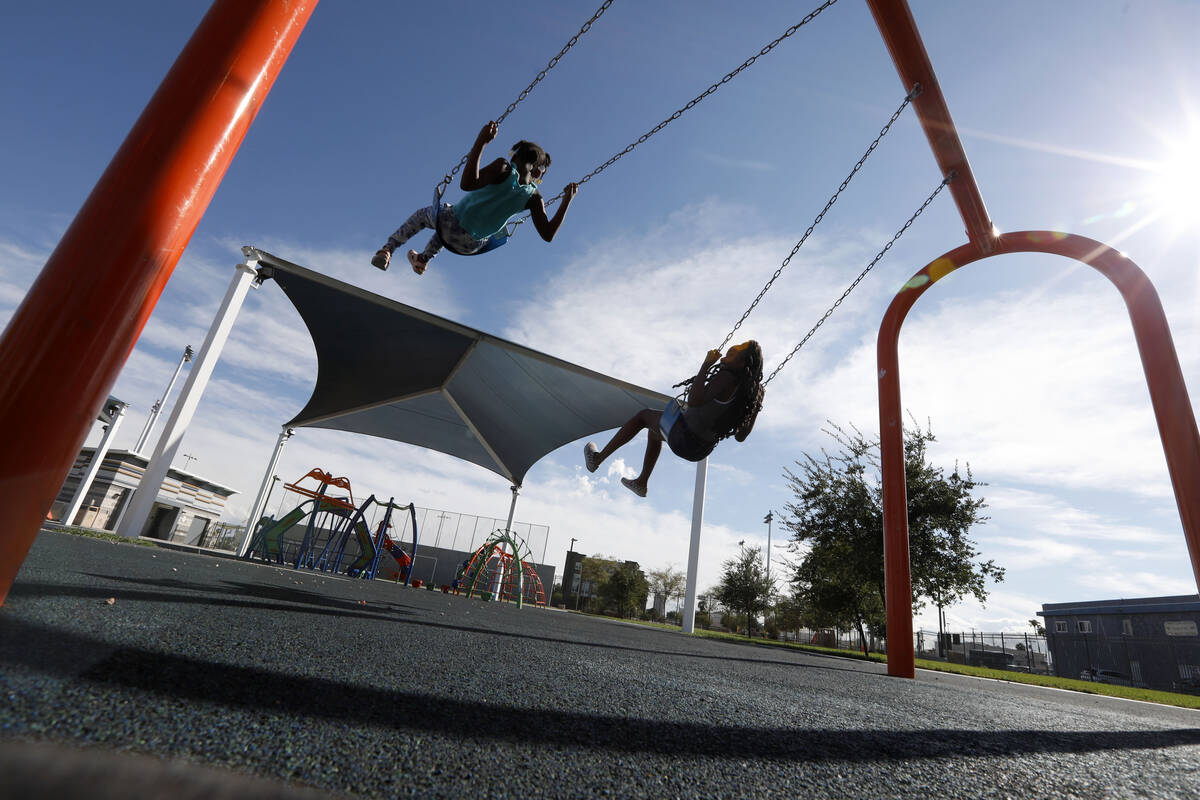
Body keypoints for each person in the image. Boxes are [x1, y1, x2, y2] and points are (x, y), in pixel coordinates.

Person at [371, 121, 578, 274]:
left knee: (427, 216)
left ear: (514, 156)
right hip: (472, 245)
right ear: (538, 173)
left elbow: (467, 184)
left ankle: (388, 249)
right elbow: (548, 235)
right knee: (446, 230)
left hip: (451, 222)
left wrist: (481, 142)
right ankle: (423, 259)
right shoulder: (534, 198)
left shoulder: (503, 168)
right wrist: (566, 201)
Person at [583, 341, 765, 497]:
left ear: (742, 363)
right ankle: (641, 482)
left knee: (643, 416)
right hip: (700, 449)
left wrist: (706, 365)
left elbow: (694, 401)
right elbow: (741, 437)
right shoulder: (747, 394)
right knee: (655, 433)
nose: (735, 347)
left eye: (739, 349)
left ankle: (597, 460)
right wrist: (756, 407)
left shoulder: (726, 377)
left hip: (684, 437)